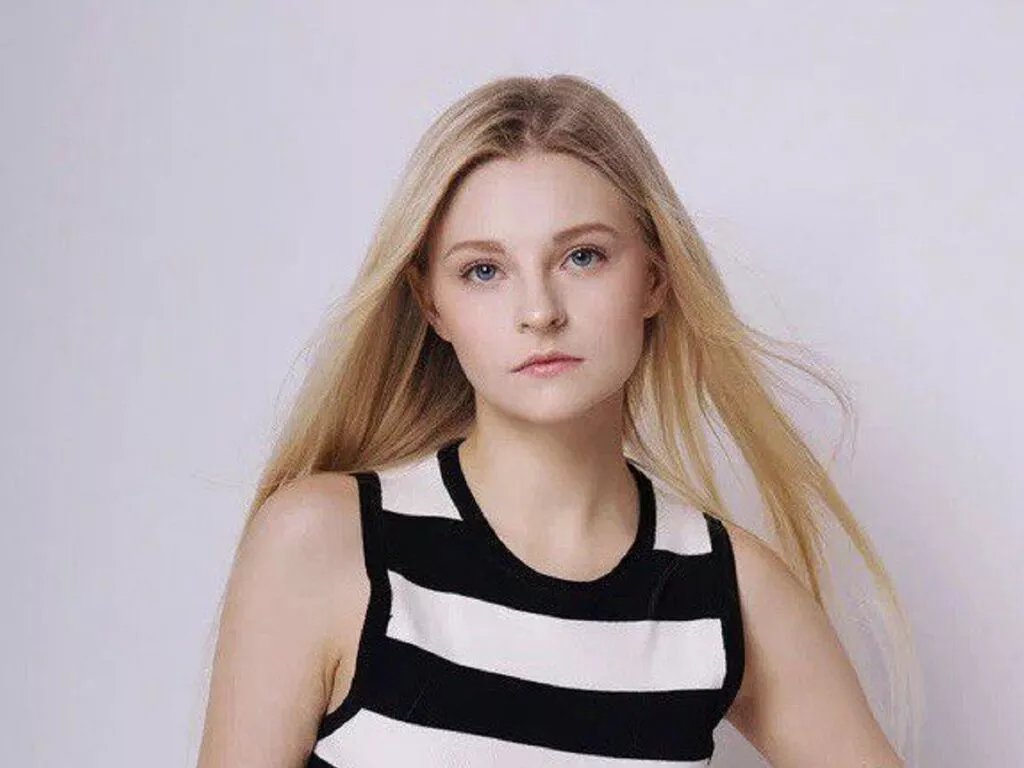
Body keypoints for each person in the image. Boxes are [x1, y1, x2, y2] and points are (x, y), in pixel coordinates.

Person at [196, 74, 915, 767]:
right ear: (431, 303)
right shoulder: (325, 544)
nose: (539, 311)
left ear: (654, 279)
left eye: (582, 257)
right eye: (484, 270)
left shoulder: (730, 592)